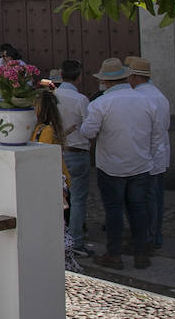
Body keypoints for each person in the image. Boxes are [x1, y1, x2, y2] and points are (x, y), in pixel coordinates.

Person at [80, 58, 159, 270]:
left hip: (111, 165)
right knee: (138, 209)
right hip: (140, 163)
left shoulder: (100, 104)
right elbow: (156, 135)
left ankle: (114, 254)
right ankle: (141, 254)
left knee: (114, 210)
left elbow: (88, 132)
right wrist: (146, 155)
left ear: (106, 82)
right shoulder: (146, 102)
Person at [127, 55, 171, 250]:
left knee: (146, 199)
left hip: (146, 154)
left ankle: (148, 237)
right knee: (155, 198)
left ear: (135, 77)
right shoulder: (159, 95)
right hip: (159, 153)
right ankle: (155, 235)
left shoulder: (141, 97)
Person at [53, 59, 93, 255]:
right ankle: (76, 241)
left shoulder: (52, 97)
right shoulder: (81, 100)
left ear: (61, 76)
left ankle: (56, 235)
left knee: (56, 197)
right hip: (77, 152)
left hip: (56, 153)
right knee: (78, 199)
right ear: (79, 77)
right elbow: (88, 129)